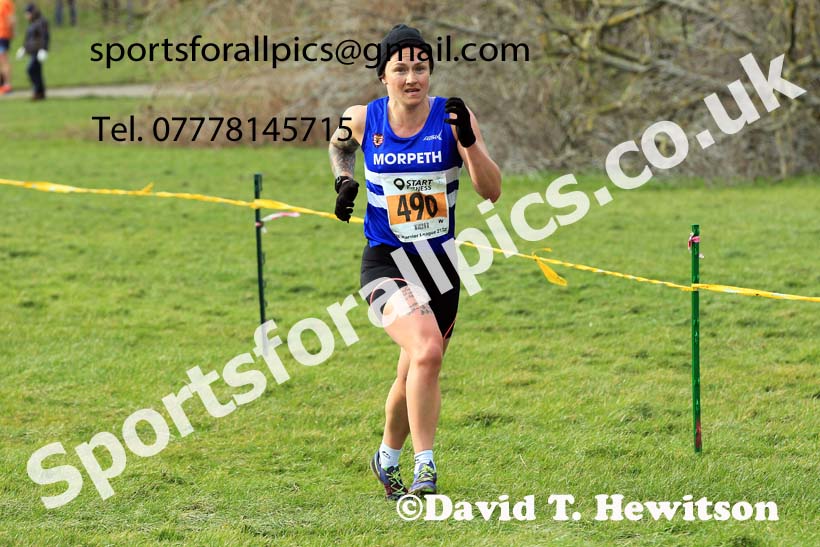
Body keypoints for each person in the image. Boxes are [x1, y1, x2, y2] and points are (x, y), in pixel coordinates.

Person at [328, 24, 501, 500]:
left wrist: (469, 142)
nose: (411, 78)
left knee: (412, 373)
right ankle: (426, 467)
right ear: (382, 75)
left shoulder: (453, 117)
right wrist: (343, 179)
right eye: (400, 68)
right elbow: (339, 144)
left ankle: (386, 458)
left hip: (440, 268)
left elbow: (491, 191)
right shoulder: (361, 118)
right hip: (385, 263)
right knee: (426, 352)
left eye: (420, 68)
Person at [17, 2, 47, 100]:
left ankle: (37, 91)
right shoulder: (32, 23)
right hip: (32, 51)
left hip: (38, 51)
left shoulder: (41, 22)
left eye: (27, 13)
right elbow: (28, 38)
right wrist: (24, 48)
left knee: (31, 69)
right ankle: (40, 92)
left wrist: (43, 49)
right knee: (36, 72)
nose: (26, 16)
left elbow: (44, 37)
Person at [0, 0, 14, 94]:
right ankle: (3, 84)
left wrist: (11, 32)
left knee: (4, 60)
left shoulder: (6, 2)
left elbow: (11, 19)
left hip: (3, 35)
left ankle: (7, 85)